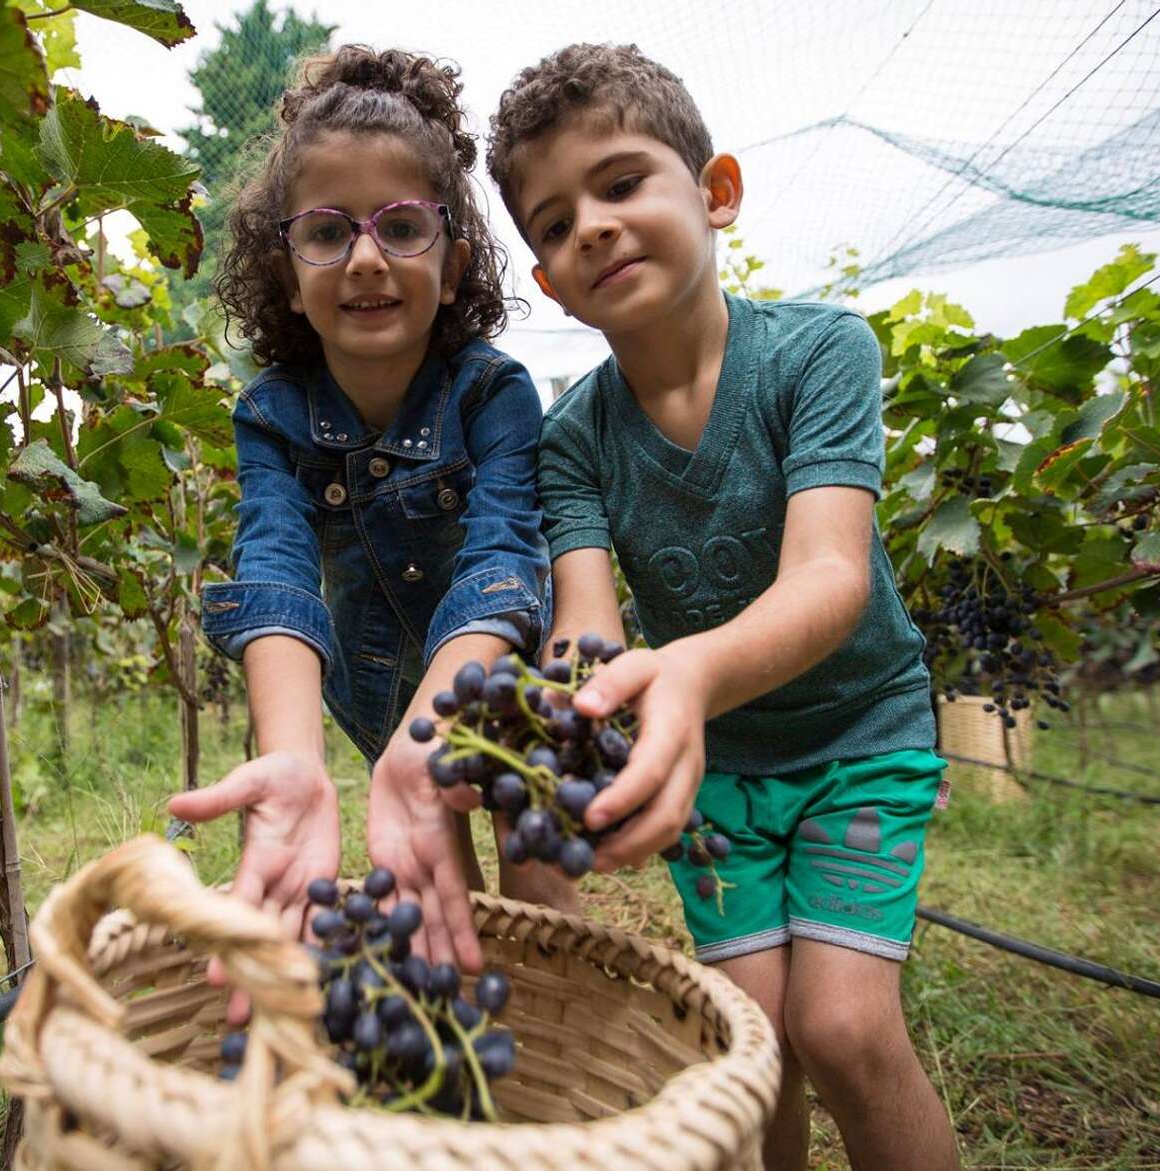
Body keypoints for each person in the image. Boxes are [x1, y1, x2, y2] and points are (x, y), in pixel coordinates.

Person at [466, 43, 964, 1171]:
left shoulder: (818, 355)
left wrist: (683, 670)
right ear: (545, 280)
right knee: (745, 1051)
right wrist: (558, 726)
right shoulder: (571, 440)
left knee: (839, 1029)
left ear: (716, 192)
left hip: (858, 741)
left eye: (622, 182)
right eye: (552, 223)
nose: (589, 225)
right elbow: (582, 629)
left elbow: (830, 581)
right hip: (718, 769)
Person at [168, 45, 571, 989]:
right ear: (288, 266)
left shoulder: (492, 395)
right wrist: (294, 759)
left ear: (454, 256)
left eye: (400, 226)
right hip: (383, 691)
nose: (364, 259)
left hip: (495, 672)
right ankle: (471, 1064)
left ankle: (560, 1071)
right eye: (325, 232)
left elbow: (502, 560)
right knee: (443, 890)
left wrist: (435, 735)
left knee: (537, 867)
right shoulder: (269, 412)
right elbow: (271, 568)